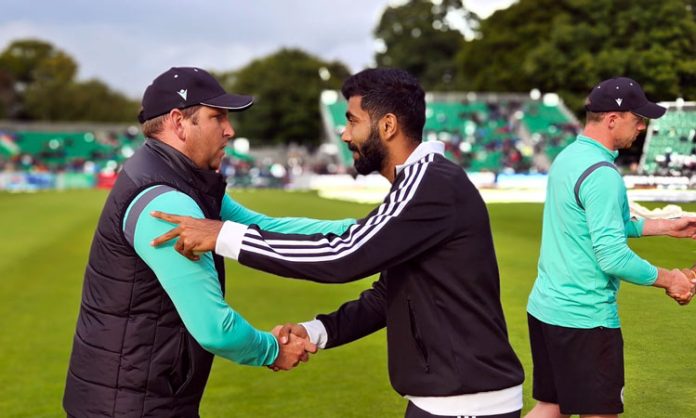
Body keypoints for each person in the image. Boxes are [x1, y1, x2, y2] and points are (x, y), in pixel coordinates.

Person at [151, 68, 525, 418]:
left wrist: (223, 235)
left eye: (352, 121)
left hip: (468, 404)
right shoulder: (419, 184)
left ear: (388, 125)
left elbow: (343, 255)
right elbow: (387, 296)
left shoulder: (429, 185)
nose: (345, 134)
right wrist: (317, 331)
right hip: (448, 399)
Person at [63, 67, 352, 418]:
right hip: (132, 406)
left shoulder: (181, 182)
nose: (230, 131)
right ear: (178, 122)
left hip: (136, 397)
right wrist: (272, 350)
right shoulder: (167, 202)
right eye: (217, 118)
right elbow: (215, 329)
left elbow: (265, 228)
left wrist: (371, 228)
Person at [523, 77, 696, 418]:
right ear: (613, 119)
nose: (642, 127)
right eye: (638, 119)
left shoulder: (570, 156)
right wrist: (670, 278)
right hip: (585, 319)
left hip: (546, 309)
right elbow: (612, 255)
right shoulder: (603, 174)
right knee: (599, 413)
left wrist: (665, 226)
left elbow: (600, 226)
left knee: (552, 407)